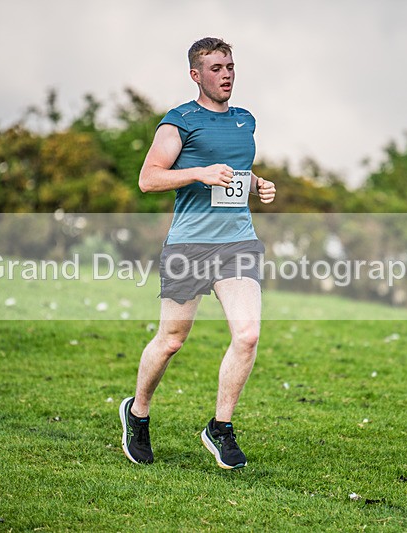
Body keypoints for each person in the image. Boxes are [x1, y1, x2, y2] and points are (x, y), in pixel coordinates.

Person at [119, 37, 276, 469]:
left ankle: (220, 427)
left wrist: (257, 184)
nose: (226, 74)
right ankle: (138, 414)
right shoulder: (178, 122)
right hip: (189, 244)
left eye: (230, 66)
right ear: (196, 75)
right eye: (216, 68)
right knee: (171, 340)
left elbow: (235, 173)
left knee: (247, 335)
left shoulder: (246, 121)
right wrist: (199, 174)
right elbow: (149, 179)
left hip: (237, 242)